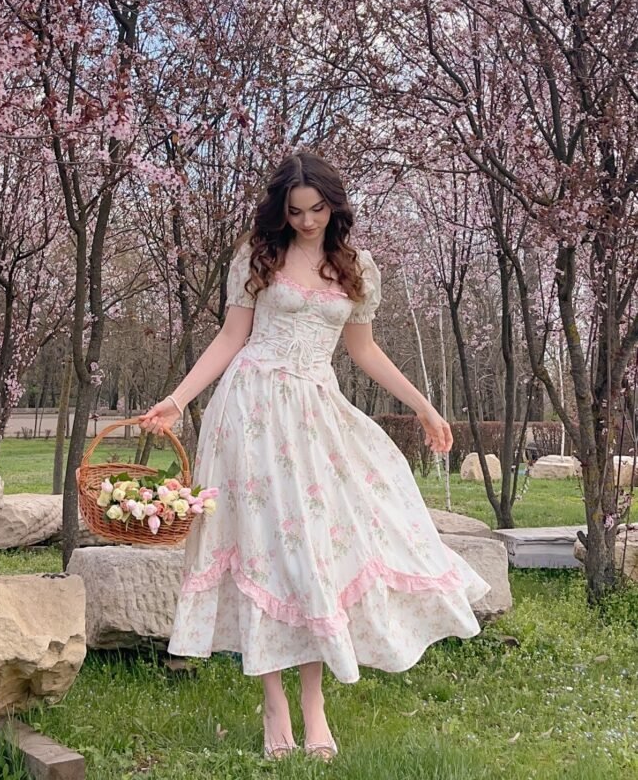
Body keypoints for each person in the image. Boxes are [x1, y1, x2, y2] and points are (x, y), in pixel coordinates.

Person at [139, 150, 490, 762]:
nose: (305, 221)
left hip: (314, 413)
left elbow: (363, 351)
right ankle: (273, 699)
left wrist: (427, 407)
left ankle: (313, 703)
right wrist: (176, 400)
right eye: (295, 211)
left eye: (316, 209)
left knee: (314, 549)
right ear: (281, 209)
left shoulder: (355, 266)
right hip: (249, 410)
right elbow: (231, 337)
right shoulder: (258, 257)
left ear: (334, 205)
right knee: (263, 545)